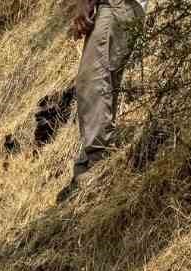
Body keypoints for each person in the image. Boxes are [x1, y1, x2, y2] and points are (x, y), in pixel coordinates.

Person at [62, 0, 146, 200]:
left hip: (118, 4)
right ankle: (87, 166)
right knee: (102, 82)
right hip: (118, 7)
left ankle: (96, 163)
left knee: (93, 80)